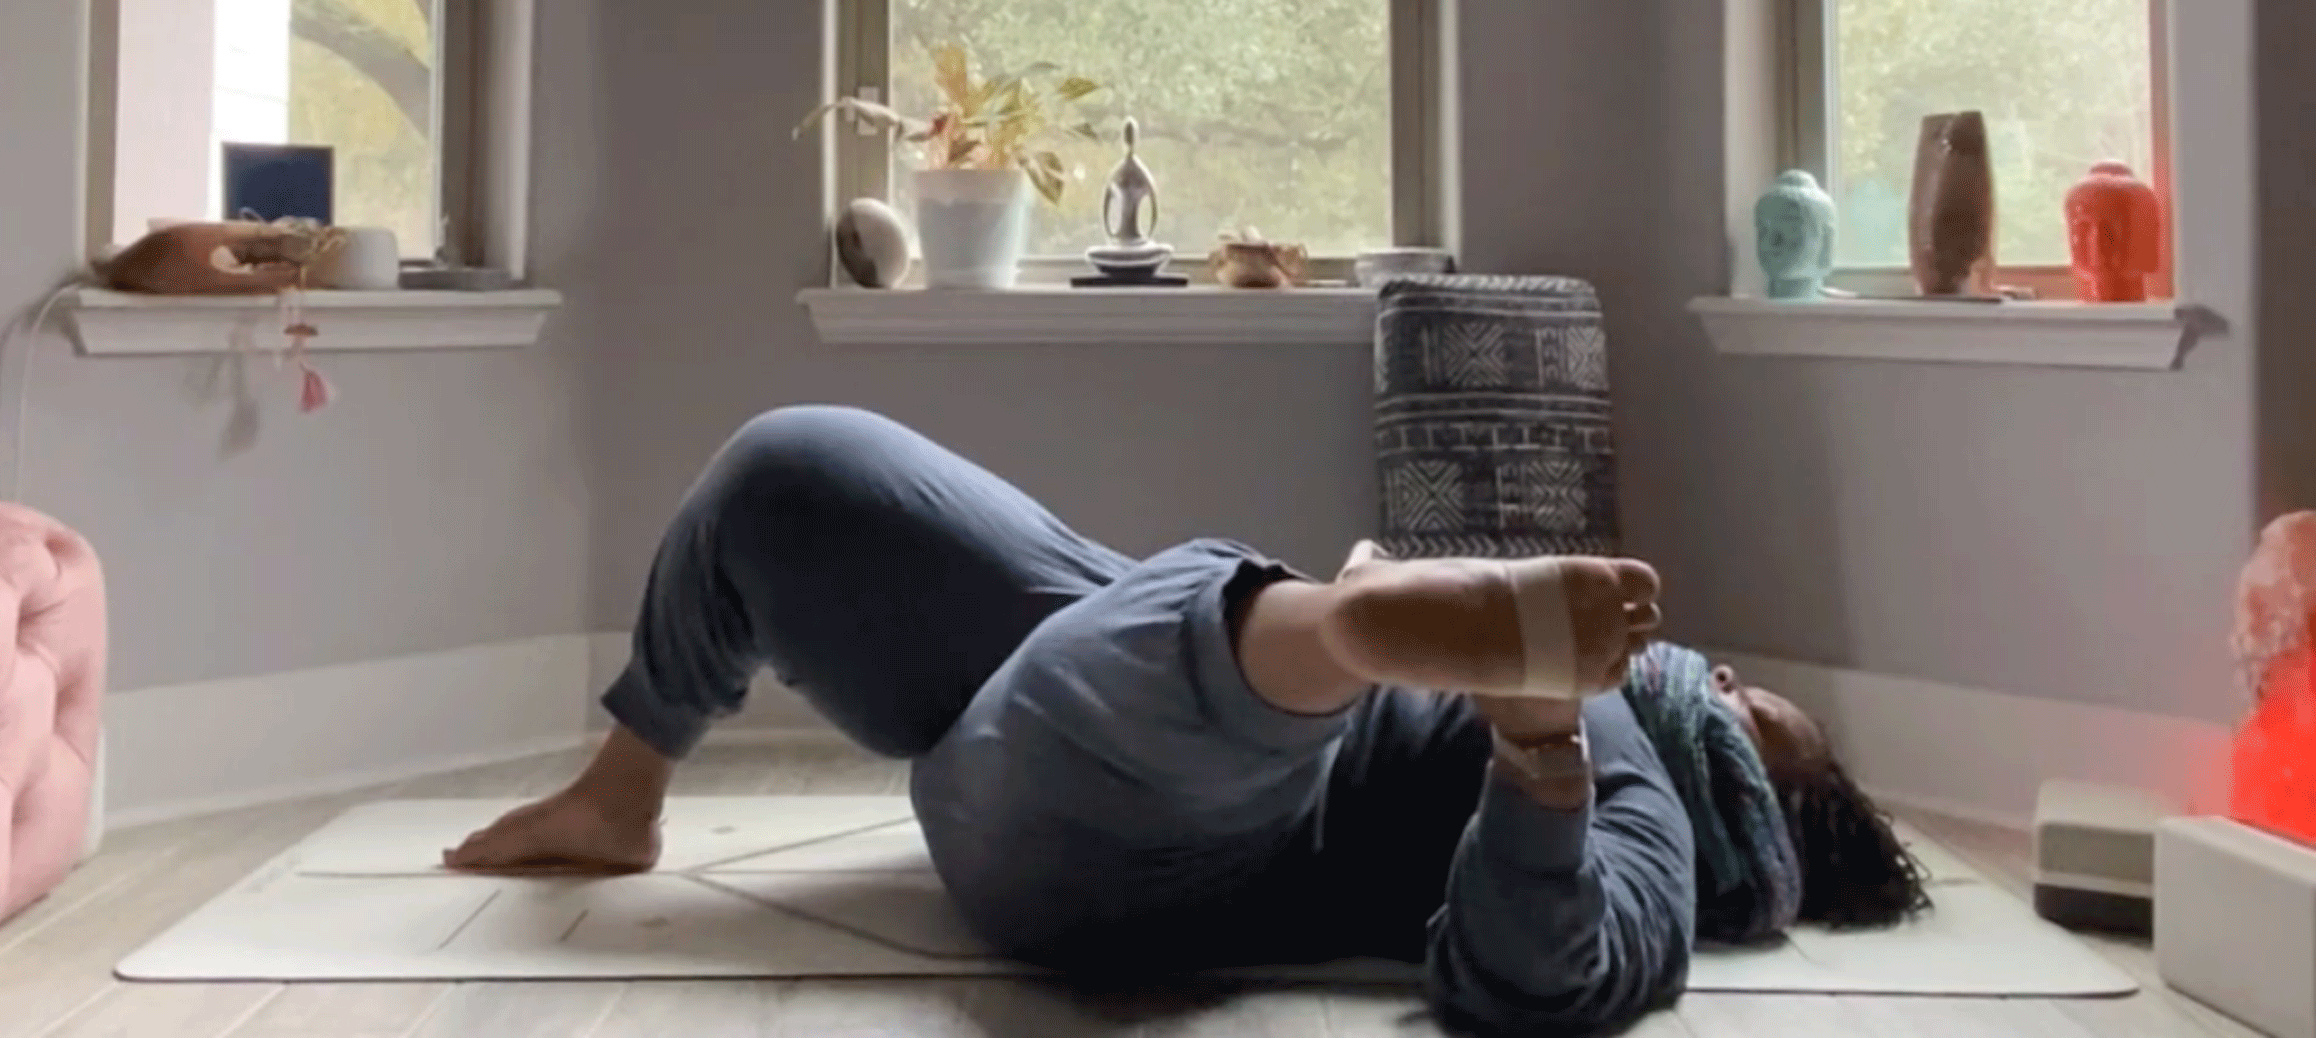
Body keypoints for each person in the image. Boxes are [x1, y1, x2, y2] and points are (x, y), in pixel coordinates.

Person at [447, 406, 1927, 1035]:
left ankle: (1351, 625)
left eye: (1749, 717)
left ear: (1757, 820)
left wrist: (1539, 731)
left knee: (1230, 651)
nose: (1720, 681)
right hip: (1106, 625)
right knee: (791, 473)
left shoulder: (1641, 779)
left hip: (1166, 816)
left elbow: (1550, 976)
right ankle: (621, 790)